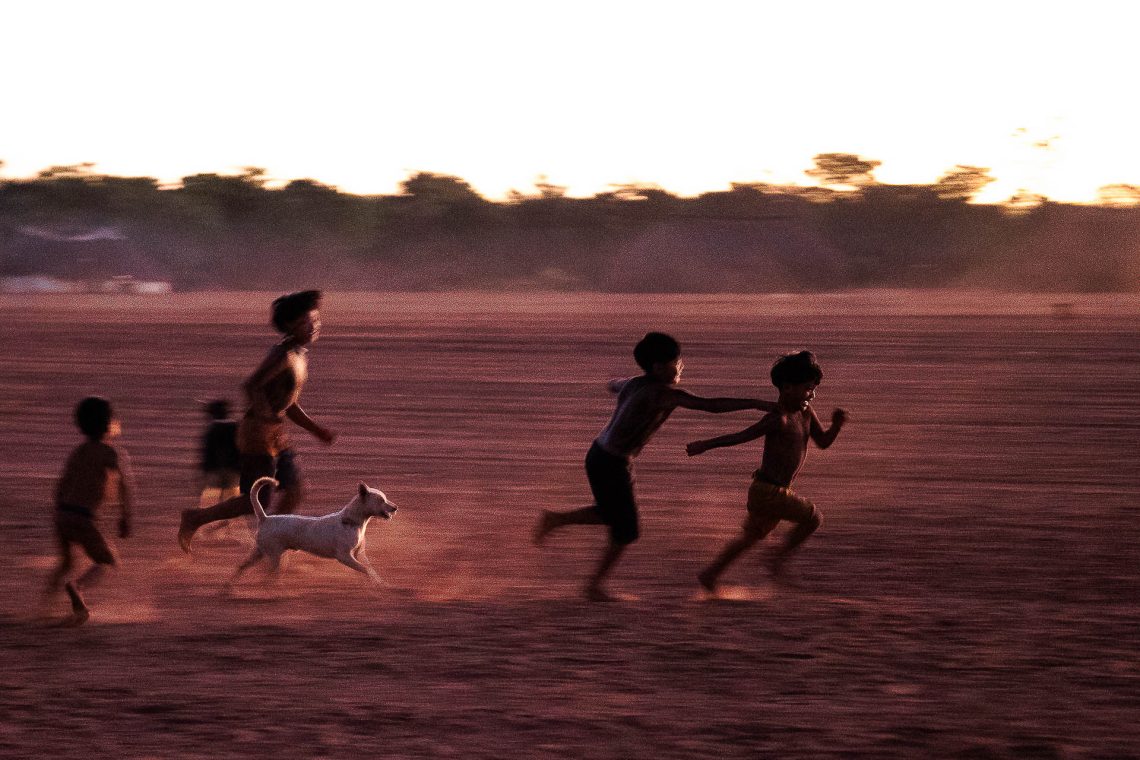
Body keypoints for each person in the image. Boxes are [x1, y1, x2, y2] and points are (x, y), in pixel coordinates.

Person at [534, 332, 775, 601]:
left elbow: (615, 384)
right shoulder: (663, 394)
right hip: (611, 462)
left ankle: (557, 522)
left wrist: (615, 384)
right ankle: (592, 584)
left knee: (614, 517)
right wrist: (756, 403)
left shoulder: (635, 383)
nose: (680, 366)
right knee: (626, 529)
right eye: (676, 362)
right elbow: (710, 406)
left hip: (601, 455)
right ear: (659, 367)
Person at [178, 290, 336, 552]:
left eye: (316, 321)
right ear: (289, 326)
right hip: (257, 434)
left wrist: (316, 430)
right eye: (307, 322)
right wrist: (264, 415)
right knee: (255, 499)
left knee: (294, 490)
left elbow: (289, 404)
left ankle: (274, 539)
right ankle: (195, 518)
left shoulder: (300, 355)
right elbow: (251, 386)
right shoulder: (282, 355)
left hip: (275, 433)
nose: (314, 327)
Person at [687, 350, 847, 593]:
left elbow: (823, 442)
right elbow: (742, 435)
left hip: (772, 491)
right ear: (787, 387)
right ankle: (777, 560)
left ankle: (710, 574)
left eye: (814, 389)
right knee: (813, 518)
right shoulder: (778, 419)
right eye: (807, 388)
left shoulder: (805, 413)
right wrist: (706, 445)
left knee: (750, 538)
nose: (811, 395)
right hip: (767, 491)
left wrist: (836, 425)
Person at [46, 396, 134, 625]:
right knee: (107, 561)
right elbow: (125, 485)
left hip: (62, 514)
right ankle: (77, 588)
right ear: (108, 423)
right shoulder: (110, 453)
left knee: (65, 563)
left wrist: (60, 513)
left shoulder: (78, 451)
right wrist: (126, 517)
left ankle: (45, 606)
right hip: (83, 517)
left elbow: (62, 485)